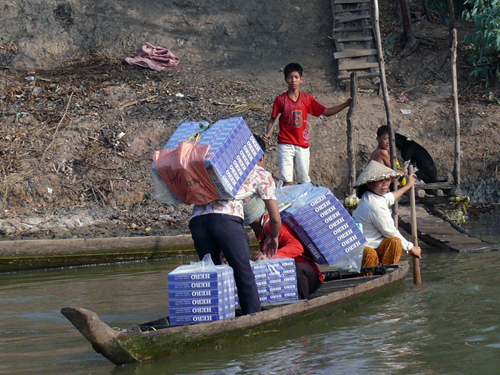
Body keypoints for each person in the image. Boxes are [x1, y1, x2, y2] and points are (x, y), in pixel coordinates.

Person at [188, 134, 281, 315]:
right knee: (243, 275)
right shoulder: (260, 173)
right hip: (226, 221)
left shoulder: (220, 167)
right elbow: (275, 218)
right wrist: (274, 235)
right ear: (260, 156)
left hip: (197, 222)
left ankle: (216, 320)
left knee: (212, 276)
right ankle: (253, 320)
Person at [263, 62, 352, 186]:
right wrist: (269, 133)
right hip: (285, 144)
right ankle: (286, 204)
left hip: (302, 145)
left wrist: (345, 104)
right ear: (285, 80)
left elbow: (326, 112)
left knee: (303, 180)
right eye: (290, 77)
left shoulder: (307, 99)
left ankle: (303, 204)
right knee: (286, 180)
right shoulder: (280, 100)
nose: (293, 80)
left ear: (301, 80)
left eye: (296, 77)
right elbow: (272, 120)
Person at [244, 196, 324, 300]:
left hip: (308, 277)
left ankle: (301, 302)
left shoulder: (270, 226)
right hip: (290, 279)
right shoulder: (262, 231)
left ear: (252, 222)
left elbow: (297, 247)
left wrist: (269, 257)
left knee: (295, 267)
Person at [352, 160, 422, 268]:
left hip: (376, 245)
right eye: (380, 181)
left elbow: (390, 197)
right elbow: (390, 231)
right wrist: (411, 248)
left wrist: (407, 186)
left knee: (393, 242)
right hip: (365, 250)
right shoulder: (374, 205)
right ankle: (378, 273)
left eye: (387, 179)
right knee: (394, 242)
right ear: (369, 183)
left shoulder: (373, 195)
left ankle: (384, 269)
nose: (385, 184)